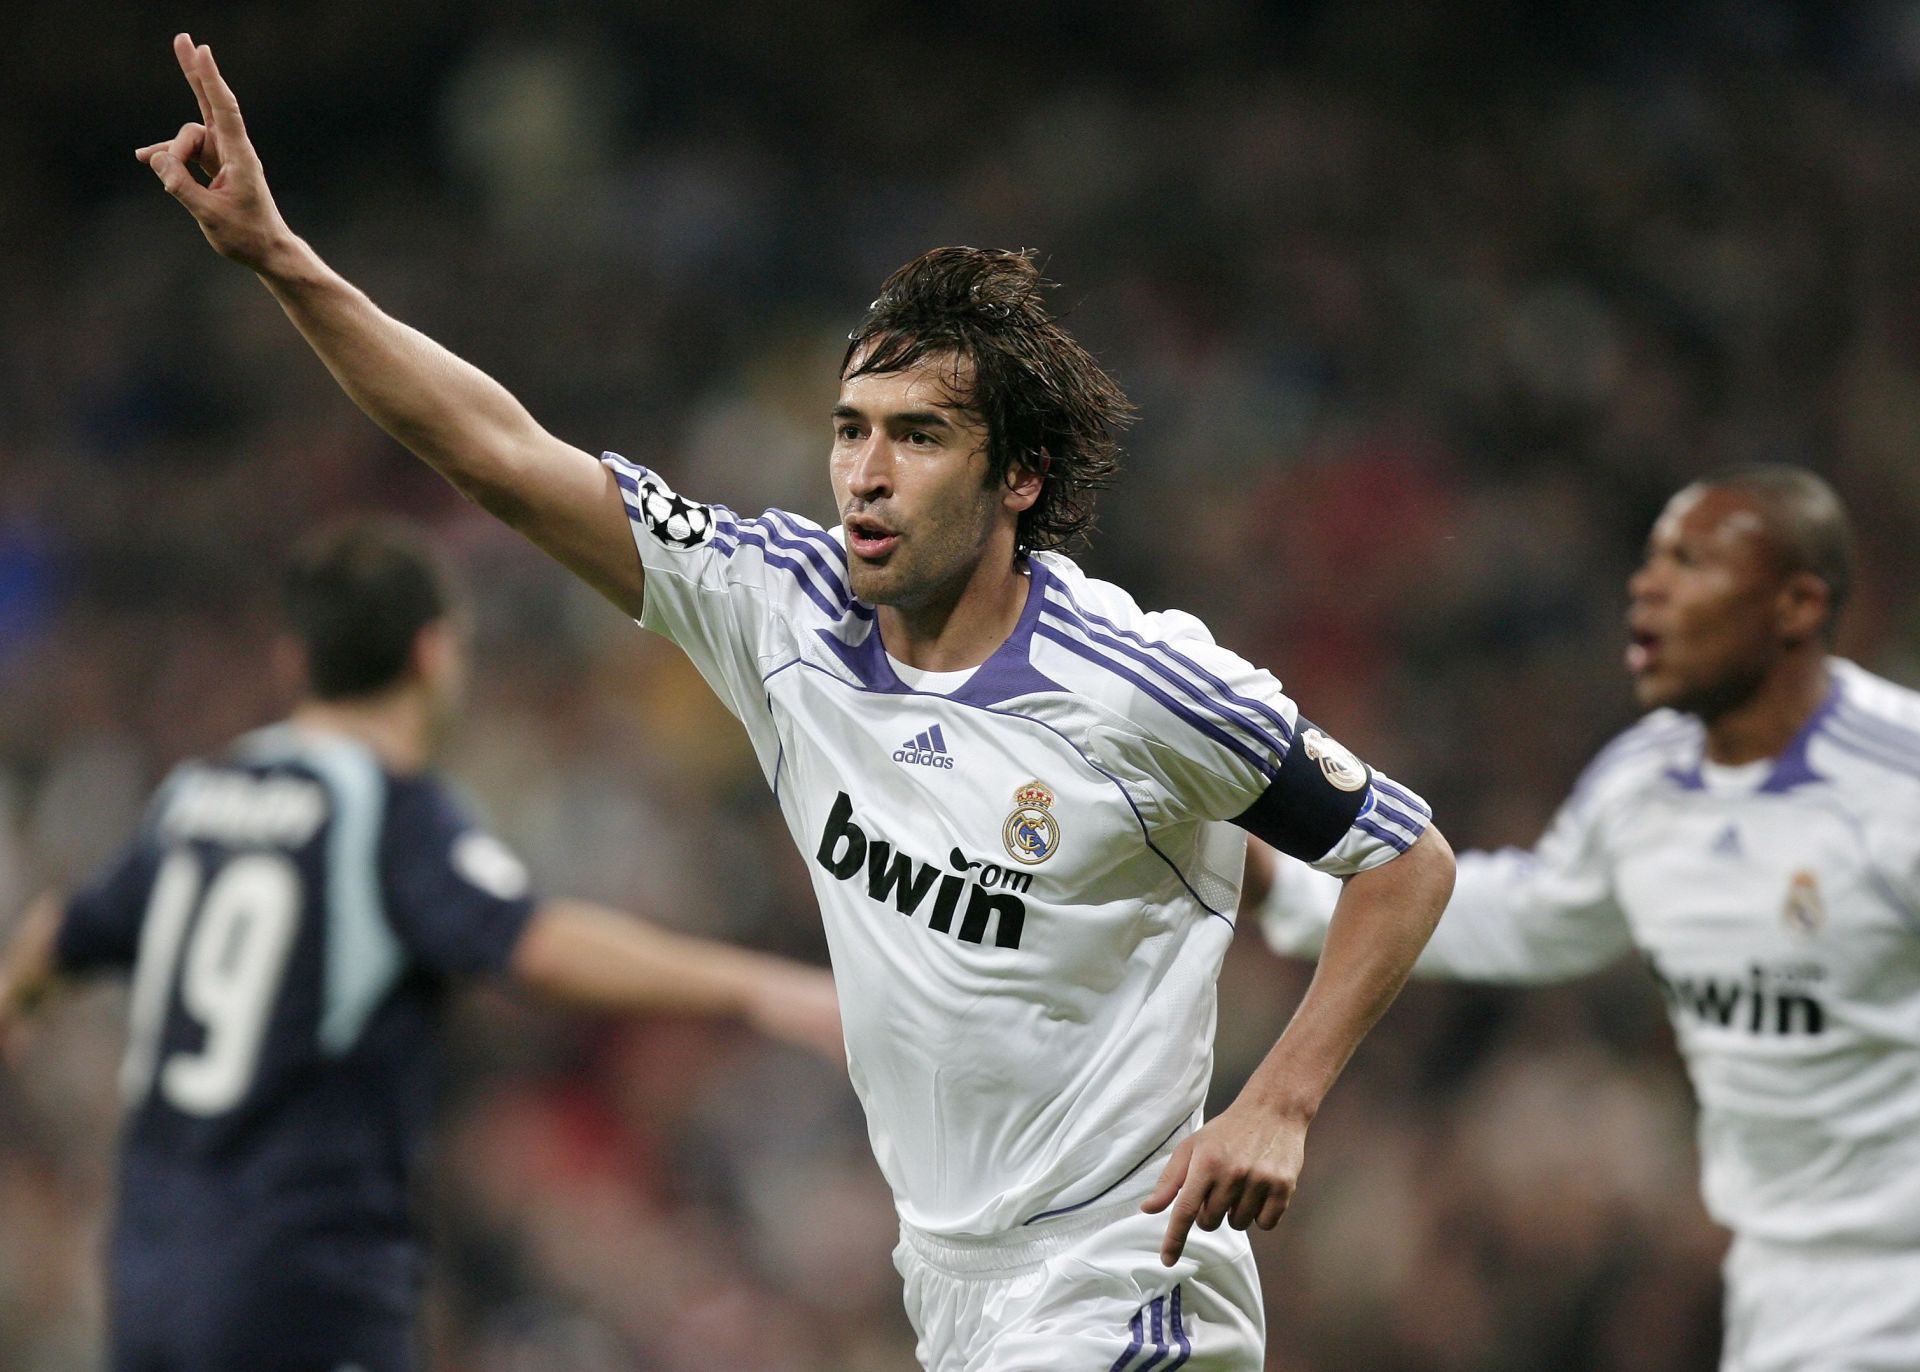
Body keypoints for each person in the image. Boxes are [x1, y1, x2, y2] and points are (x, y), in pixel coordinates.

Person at [133, 34, 1456, 1370]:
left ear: (1022, 479)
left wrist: (1278, 1104)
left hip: (1125, 1274)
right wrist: (281, 260)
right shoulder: (773, 605)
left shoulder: (1142, 685)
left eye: (919, 436)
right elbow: (498, 455)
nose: (864, 474)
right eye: (850, 427)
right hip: (951, 1287)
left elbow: (1404, 856)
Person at [0, 517, 842, 1372]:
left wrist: (15, 1009)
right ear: (434, 655)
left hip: (148, 1284)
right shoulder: (387, 812)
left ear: (295, 663)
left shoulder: (195, 799)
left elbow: (51, 935)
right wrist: (755, 988)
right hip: (301, 1287)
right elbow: (534, 946)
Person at [1256, 467, 1920, 1372]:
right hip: (1781, 1296)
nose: (1647, 586)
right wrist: (1281, 883)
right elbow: (1520, 916)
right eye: (1649, 559)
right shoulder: (1643, 786)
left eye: (1691, 563)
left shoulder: (1900, 782)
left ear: (1798, 606)